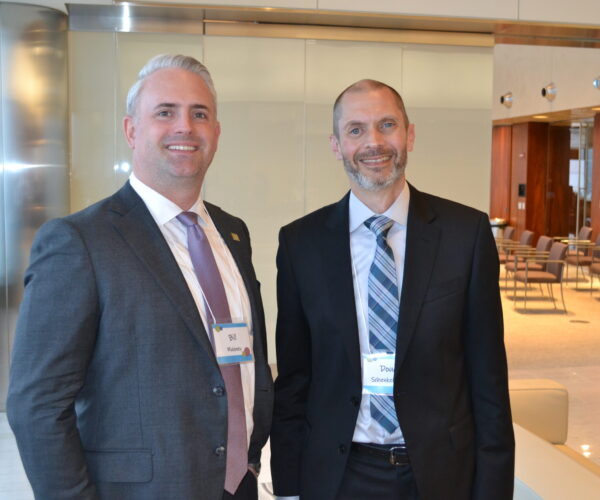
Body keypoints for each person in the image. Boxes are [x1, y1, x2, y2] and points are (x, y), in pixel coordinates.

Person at [7, 54, 273, 500]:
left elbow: (244, 356)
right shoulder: (79, 241)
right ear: (132, 130)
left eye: (199, 114)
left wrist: (250, 455)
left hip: (238, 487)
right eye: (165, 112)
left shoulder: (233, 233)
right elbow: (36, 405)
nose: (184, 126)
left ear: (217, 134)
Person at [270, 79, 514, 500]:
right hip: (337, 475)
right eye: (356, 130)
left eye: (387, 125)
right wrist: (289, 487)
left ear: (410, 134)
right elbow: (294, 380)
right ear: (336, 144)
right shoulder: (300, 244)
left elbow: (489, 381)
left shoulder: (465, 235)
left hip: (441, 475)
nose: (374, 143)